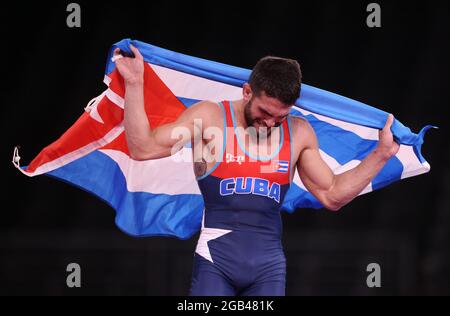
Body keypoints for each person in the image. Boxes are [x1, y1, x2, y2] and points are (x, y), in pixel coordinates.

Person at [113, 44, 400, 296]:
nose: (269, 124)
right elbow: (144, 148)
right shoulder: (210, 118)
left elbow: (333, 195)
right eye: (265, 112)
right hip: (215, 263)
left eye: (280, 116)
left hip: (268, 269)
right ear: (247, 91)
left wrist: (382, 154)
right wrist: (136, 84)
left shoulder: (299, 132)